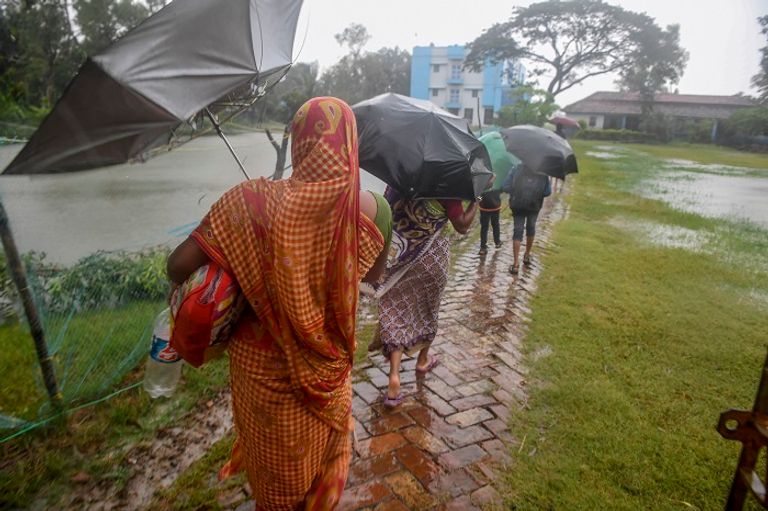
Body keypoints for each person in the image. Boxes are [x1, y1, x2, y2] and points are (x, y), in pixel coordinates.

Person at [166, 97, 391, 510]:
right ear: (350, 144)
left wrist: (249, 248)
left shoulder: (249, 200)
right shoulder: (376, 210)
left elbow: (177, 266)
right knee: (323, 466)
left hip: (262, 376)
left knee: (277, 485)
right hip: (330, 367)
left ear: (297, 142)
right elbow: (373, 277)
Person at [372, 189, 478, 407]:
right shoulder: (448, 185)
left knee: (394, 309)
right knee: (428, 308)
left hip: (400, 257)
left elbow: (386, 210)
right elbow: (462, 226)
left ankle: (394, 378)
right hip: (432, 259)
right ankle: (422, 360)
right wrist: (477, 199)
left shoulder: (399, 178)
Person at [502, 164, 551, 275]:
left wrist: (515, 191)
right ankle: (527, 255)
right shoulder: (543, 173)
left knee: (518, 231)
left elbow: (505, 186)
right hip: (534, 206)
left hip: (518, 205)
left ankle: (515, 264)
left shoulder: (516, 168)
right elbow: (547, 192)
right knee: (531, 227)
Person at [478, 188, 502, 255]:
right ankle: (497, 242)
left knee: (484, 228)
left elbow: (477, 194)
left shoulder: (481, 179)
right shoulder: (497, 179)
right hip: (495, 206)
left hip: (484, 208)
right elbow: (501, 190)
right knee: (496, 225)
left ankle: (483, 248)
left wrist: (480, 200)